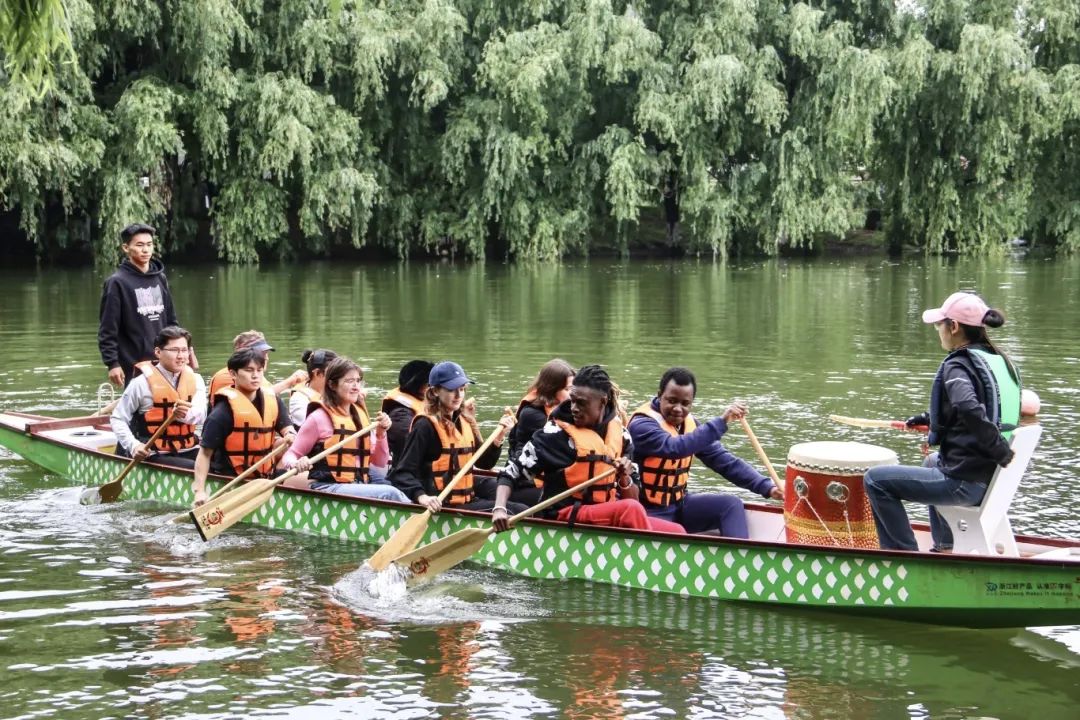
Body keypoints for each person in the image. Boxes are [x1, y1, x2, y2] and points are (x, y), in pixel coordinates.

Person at [864, 291, 1021, 552]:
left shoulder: (957, 365)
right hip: (989, 477)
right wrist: (930, 419)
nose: (939, 331)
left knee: (874, 480)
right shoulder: (998, 361)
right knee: (931, 461)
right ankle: (946, 546)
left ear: (954, 327)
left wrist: (999, 449)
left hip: (966, 483)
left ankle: (901, 555)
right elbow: (986, 408)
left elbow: (969, 407)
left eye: (939, 325)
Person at [492, 365, 686, 534]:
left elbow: (633, 497)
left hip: (604, 513)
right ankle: (645, 557)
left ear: (602, 401)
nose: (574, 408)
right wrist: (499, 509)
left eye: (582, 403)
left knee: (677, 530)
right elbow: (510, 473)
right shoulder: (555, 435)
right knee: (630, 510)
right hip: (564, 515)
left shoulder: (622, 435)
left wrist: (624, 477)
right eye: (573, 400)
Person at [627, 367, 782, 538]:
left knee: (731, 505)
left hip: (679, 505)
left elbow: (723, 461)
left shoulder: (690, 424)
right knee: (676, 533)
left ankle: (740, 553)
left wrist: (767, 487)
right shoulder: (642, 425)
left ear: (691, 403)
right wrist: (722, 421)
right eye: (672, 401)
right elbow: (675, 447)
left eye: (685, 403)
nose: (678, 408)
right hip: (648, 510)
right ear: (659, 395)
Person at [389, 361, 522, 514]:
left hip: (465, 498)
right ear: (435, 391)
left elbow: (484, 463)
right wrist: (422, 497)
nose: (459, 395)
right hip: (441, 504)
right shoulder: (425, 426)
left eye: (462, 389)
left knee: (509, 494)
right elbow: (402, 473)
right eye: (452, 390)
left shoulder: (463, 420)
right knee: (518, 510)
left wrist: (499, 436)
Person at [283, 358, 408, 501]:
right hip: (327, 486)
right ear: (332, 385)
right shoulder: (318, 418)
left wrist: (381, 433)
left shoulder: (360, 417)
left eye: (358, 381)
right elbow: (290, 455)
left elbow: (380, 462)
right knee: (390, 493)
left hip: (358, 484)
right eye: (349, 381)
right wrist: (296, 463)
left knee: (393, 486)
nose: (356, 387)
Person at [191, 347, 296, 506]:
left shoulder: (273, 400)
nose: (255, 375)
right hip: (232, 477)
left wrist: (290, 434)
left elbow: (287, 427)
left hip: (265, 476)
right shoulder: (222, 412)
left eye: (259, 370)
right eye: (249, 370)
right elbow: (204, 454)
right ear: (233, 374)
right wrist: (199, 491)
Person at [98, 223, 198, 386]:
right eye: (139, 245)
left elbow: (171, 321)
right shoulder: (117, 283)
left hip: (165, 360)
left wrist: (184, 350)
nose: (145, 250)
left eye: (149, 244)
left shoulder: (160, 278)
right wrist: (112, 363)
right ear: (126, 248)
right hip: (135, 363)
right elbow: (108, 329)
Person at [109, 325, 207, 469]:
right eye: (174, 350)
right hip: (153, 452)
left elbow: (201, 416)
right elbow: (118, 418)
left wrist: (184, 414)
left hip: (188, 448)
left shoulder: (196, 379)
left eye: (184, 350)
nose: (181, 356)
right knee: (195, 467)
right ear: (158, 352)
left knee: (219, 462)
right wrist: (134, 446)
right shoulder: (140, 383)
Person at [504, 359, 575, 506]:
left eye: (573, 389)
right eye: (567, 389)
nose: (572, 395)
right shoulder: (532, 414)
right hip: (527, 483)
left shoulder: (567, 411)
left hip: (552, 482)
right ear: (552, 389)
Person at [207, 330, 307, 407]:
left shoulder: (257, 375)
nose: (266, 358)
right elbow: (255, 398)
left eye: (267, 353)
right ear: (244, 354)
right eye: (262, 353)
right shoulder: (228, 376)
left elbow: (267, 394)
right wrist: (289, 382)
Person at [381, 359, 433, 463]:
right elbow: (411, 449)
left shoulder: (426, 405)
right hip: (409, 470)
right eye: (429, 384)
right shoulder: (401, 415)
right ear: (417, 385)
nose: (433, 388)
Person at [289, 348, 339, 427]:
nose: (338, 377)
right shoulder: (299, 399)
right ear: (317, 373)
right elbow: (312, 426)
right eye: (332, 373)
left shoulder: (340, 393)